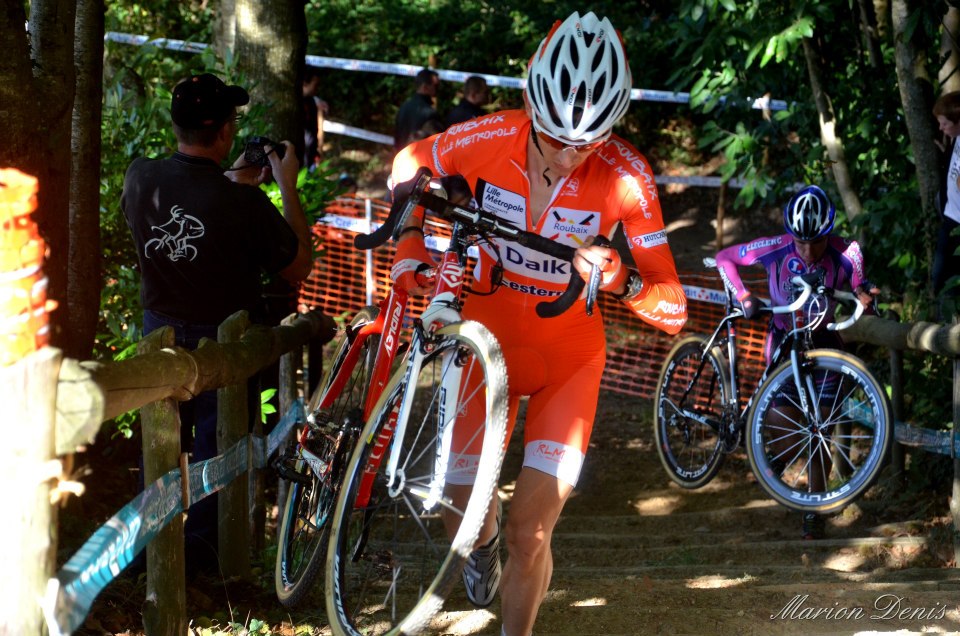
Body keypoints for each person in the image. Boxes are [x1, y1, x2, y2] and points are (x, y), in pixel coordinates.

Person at [390, 11, 687, 635]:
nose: (568, 153)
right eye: (554, 136)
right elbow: (407, 166)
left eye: (588, 142)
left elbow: (673, 306)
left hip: (568, 358)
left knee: (531, 530)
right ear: (531, 100)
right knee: (461, 510)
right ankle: (480, 540)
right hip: (481, 339)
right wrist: (410, 243)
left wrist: (623, 279)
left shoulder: (628, 176)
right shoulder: (489, 136)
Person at [121, 72, 313, 575]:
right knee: (214, 454)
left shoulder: (141, 176)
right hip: (222, 344)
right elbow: (298, 266)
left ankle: (146, 559)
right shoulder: (243, 204)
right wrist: (286, 188)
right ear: (227, 132)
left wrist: (234, 183)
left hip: (157, 329)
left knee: (157, 447)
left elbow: (193, 206)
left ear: (175, 123)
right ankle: (203, 565)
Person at [714, 184, 879, 540]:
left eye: (815, 242)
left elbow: (861, 284)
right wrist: (743, 296)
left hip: (826, 347)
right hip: (782, 343)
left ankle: (813, 512)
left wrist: (866, 294)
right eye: (799, 242)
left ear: (828, 233)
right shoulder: (774, 247)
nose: (806, 250)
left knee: (820, 428)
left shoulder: (846, 251)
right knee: (781, 419)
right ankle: (788, 470)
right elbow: (725, 258)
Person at [932, 91, 960, 320]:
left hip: (957, 225)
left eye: (944, 123)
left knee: (948, 281)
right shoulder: (955, 139)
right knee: (940, 278)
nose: (941, 128)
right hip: (950, 218)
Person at [394, 68, 444, 151]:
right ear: (425, 87)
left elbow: (397, 138)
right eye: (436, 86)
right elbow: (437, 146)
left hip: (401, 157)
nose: (438, 89)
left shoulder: (404, 107)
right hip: (420, 160)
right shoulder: (430, 113)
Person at [302, 67, 330, 171]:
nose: (317, 88)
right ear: (305, 83)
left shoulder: (312, 102)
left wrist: (315, 151)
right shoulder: (295, 104)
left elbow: (313, 129)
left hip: (310, 154)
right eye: (315, 85)